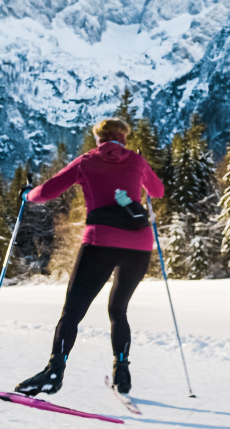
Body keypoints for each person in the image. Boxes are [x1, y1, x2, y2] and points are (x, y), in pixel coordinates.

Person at [15, 118, 165, 396]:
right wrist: (141, 169)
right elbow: (158, 191)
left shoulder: (86, 161)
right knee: (118, 310)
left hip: (100, 243)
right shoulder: (136, 161)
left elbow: (47, 192)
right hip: (140, 246)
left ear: (99, 139)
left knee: (72, 312)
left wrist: (27, 196)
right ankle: (122, 371)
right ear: (124, 139)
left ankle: (54, 371)